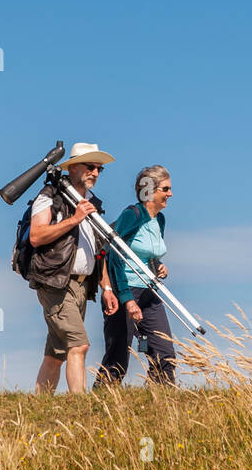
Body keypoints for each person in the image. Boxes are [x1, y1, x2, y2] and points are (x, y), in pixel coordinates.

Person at [29, 141, 119, 394]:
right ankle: (80, 405)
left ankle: (40, 404)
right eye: (90, 167)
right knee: (79, 345)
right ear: (72, 168)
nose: (96, 173)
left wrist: (107, 287)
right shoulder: (50, 196)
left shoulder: (94, 203)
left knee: (56, 353)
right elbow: (36, 235)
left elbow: (96, 251)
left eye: (100, 169)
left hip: (82, 286)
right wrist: (75, 219)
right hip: (56, 282)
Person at [96, 165, 176, 386]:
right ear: (150, 190)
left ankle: (163, 402)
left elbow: (147, 253)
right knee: (118, 357)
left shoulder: (159, 220)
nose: (170, 194)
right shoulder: (133, 215)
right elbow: (114, 254)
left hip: (150, 290)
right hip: (126, 290)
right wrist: (127, 299)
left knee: (164, 352)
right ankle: (101, 401)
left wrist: (158, 265)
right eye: (165, 189)